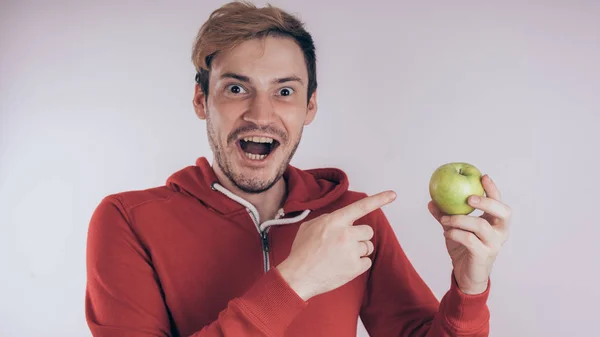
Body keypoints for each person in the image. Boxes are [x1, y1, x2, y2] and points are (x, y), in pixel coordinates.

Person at [84, 1, 512, 336]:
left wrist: (469, 291)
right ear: (201, 100)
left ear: (310, 106)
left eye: (284, 91)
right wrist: (295, 281)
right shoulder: (128, 221)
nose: (260, 113)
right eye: (236, 88)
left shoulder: (354, 221)